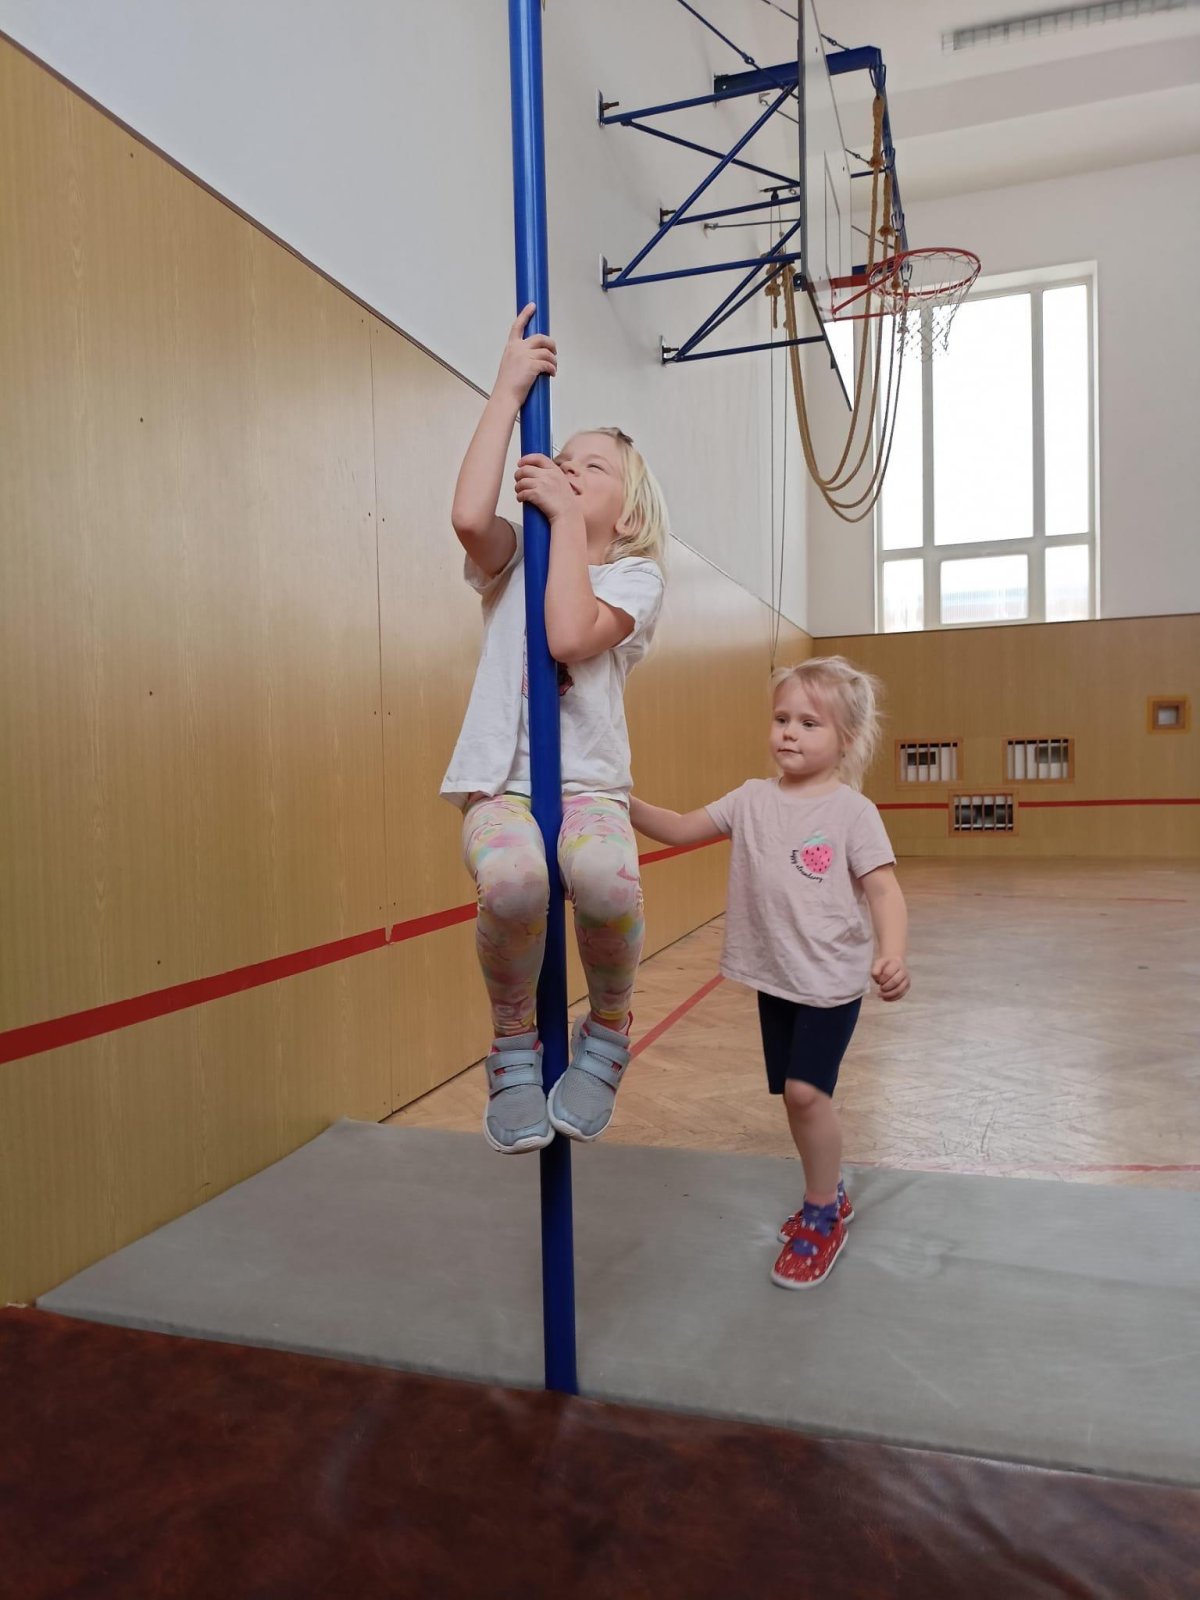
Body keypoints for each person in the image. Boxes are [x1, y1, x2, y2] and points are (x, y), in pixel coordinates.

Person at [442, 305, 669, 1155]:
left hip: (589, 790)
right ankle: (512, 1045)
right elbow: (471, 520)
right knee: (512, 885)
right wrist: (506, 395)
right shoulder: (515, 559)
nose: (570, 469)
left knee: (607, 883)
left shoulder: (635, 578)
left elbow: (570, 636)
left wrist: (568, 524)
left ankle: (607, 1031)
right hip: (500, 784)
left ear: (628, 514)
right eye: (563, 459)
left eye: (592, 468)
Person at [629, 656, 910, 1288]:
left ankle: (823, 1213)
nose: (789, 732)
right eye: (782, 718)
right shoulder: (750, 799)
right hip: (776, 976)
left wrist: (892, 952)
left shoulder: (852, 813)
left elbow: (884, 889)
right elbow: (679, 829)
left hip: (831, 979)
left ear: (846, 740)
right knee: (793, 1094)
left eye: (810, 723)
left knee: (807, 1093)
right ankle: (828, 1189)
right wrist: (620, 800)